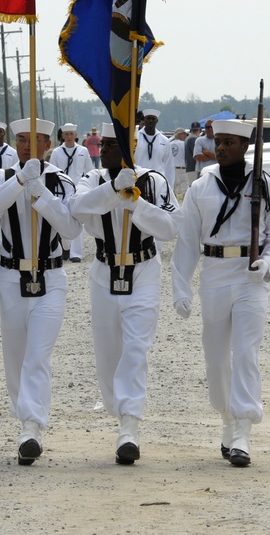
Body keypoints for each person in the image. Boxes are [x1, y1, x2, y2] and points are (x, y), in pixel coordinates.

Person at [171, 119, 270, 467]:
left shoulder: (267, 185)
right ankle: (226, 416)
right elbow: (188, 241)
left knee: (247, 353)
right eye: (217, 141)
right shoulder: (201, 187)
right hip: (215, 274)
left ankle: (242, 431)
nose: (219, 148)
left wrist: (267, 263)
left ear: (244, 147)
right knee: (217, 357)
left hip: (251, 278)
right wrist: (182, 287)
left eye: (227, 143)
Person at [70, 123, 182, 465]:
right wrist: (110, 192)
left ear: (127, 147)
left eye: (109, 145)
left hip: (144, 269)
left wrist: (137, 205)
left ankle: (129, 427)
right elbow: (77, 209)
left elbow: (171, 228)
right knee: (108, 354)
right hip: (104, 271)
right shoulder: (93, 179)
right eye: (101, 145)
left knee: (136, 347)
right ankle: (119, 413)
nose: (102, 150)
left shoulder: (153, 181)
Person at [0, 118, 82, 465]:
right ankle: (25, 417)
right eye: (21, 139)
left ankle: (31, 427)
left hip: (50, 278)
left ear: (48, 145)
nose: (26, 146)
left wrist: (40, 191)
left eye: (34, 140)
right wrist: (21, 179)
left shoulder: (61, 182)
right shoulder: (1, 177)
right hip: (11, 278)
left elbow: (69, 229)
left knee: (38, 355)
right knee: (15, 358)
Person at [54, 123, 92, 262]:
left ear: (75, 135)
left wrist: (89, 188)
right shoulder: (57, 152)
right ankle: (65, 246)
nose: (69, 137)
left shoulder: (83, 150)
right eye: (67, 134)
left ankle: (76, 253)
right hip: (61, 189)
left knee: (78, 220)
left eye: (72, 134)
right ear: (63, 135)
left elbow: (89, 170)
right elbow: (52, 172)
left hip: (78, 189)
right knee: (62, 219)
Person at [134, 109, 174, 182]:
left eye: (153, 119)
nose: (151, 121)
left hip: (158, 179)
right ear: (144, 120)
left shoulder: (164, 140)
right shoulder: (135, 138)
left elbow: (169, 165)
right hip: (139, 178)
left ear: (157, 121)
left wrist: (170, 185)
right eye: (148, 118)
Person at [170, 128, 188, 197]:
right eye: (184, 134)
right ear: (180, 134)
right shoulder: (184, 144)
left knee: (172, 190)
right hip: (182, 169)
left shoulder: (169, 144)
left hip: (172, 169)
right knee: (184, 190)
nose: (185, 136)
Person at [184, 121, 201, 189]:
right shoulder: (194, 139)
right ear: (199, 130)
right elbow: (197, 154)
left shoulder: (188, 138)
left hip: (189, 167)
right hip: (194, 168)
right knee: (195, 189)